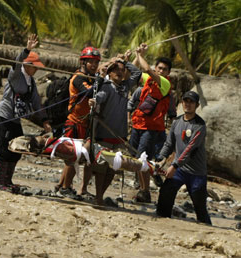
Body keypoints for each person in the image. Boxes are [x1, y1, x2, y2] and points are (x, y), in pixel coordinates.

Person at [0, 34, 51, 192]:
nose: (37, 69)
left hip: (16, 120)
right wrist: (27, 49)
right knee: (4, 149)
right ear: (27, 64)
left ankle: (8, 180)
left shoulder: (31, 82)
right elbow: (17, 62)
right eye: (34, 66)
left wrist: (45, 121)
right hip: (4, 116)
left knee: (17, 149)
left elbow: (37, 103)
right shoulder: (16, 74)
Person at [89, 54, 141, 207]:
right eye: (116, 70)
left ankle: (100, 195)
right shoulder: (106, 87)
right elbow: (99, 97)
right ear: (110, 73)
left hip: (119, 135)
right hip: (104, 134)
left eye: (122, 70)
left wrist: (124, 61)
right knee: (101, 168)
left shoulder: (125, 86)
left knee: (113, 168)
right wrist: (94, 101)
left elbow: (137, 73)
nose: (119, 72)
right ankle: (98, 197)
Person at [155, 91, 211, 225]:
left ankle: (209, 230)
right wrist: (160, 158)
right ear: (181, 103)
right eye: (186, 101)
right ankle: (162, 224)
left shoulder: (200, 126)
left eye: (191, 102)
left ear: (197, 105)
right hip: (180, 170)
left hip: (196, 173)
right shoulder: (176, 122)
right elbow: (169, 143)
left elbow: (189, 150)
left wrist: (174, 166)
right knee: (165, 193)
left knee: (200, 208)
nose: (188, 104)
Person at [129, 43, 173, 202]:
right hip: (137, 124)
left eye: (164, 69)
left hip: (152, 128)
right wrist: (136, 55)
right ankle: (143, 187)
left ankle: (145, 191)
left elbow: (147, 69)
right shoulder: (148, 79)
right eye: (159, 68)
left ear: (168, 73)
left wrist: (141, 54)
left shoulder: (165, 83)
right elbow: (131, 70)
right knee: (136, 158)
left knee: (142, 159)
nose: (161, 71)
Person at [56, 46, 100, 200]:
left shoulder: (90, 77)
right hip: (74, 122)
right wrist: (101, 80)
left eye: (96, 62)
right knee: (73, 157)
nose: (94, 65)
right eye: (91, 62)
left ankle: (61, 185)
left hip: (82, 123)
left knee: (73, 156)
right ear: (83, 62)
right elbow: (87, 92)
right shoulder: (79, 78)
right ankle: (66, 187)